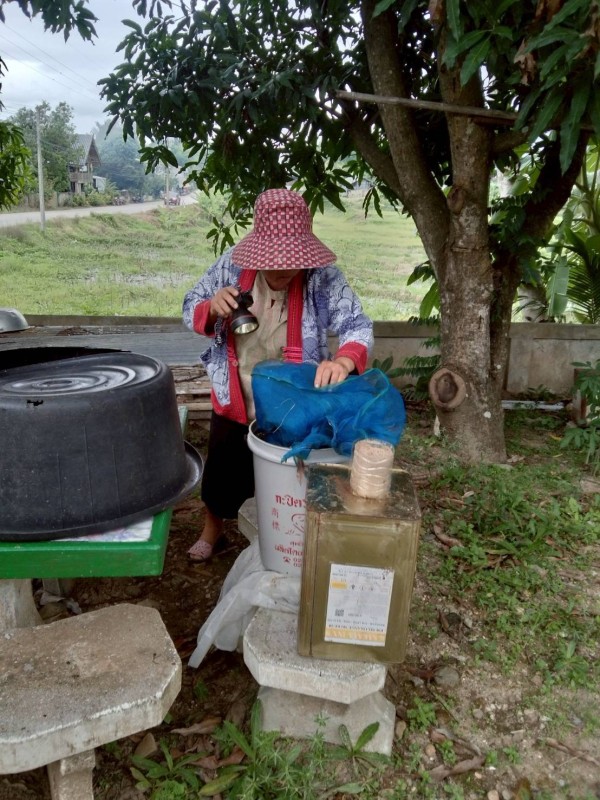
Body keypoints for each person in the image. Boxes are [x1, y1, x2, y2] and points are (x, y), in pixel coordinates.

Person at [182, 188, 373, 561]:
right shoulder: (230, 267)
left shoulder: (322, 278)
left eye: (292, 261)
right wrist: (213, 307)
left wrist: (343, 362)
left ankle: (285, 536)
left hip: (294, 395)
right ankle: (213, 530)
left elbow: (357, 324)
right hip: (239, 389)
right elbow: (190, 305)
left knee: (289, 472)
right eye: (273, 261)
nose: (283, 270)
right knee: (223, 467)